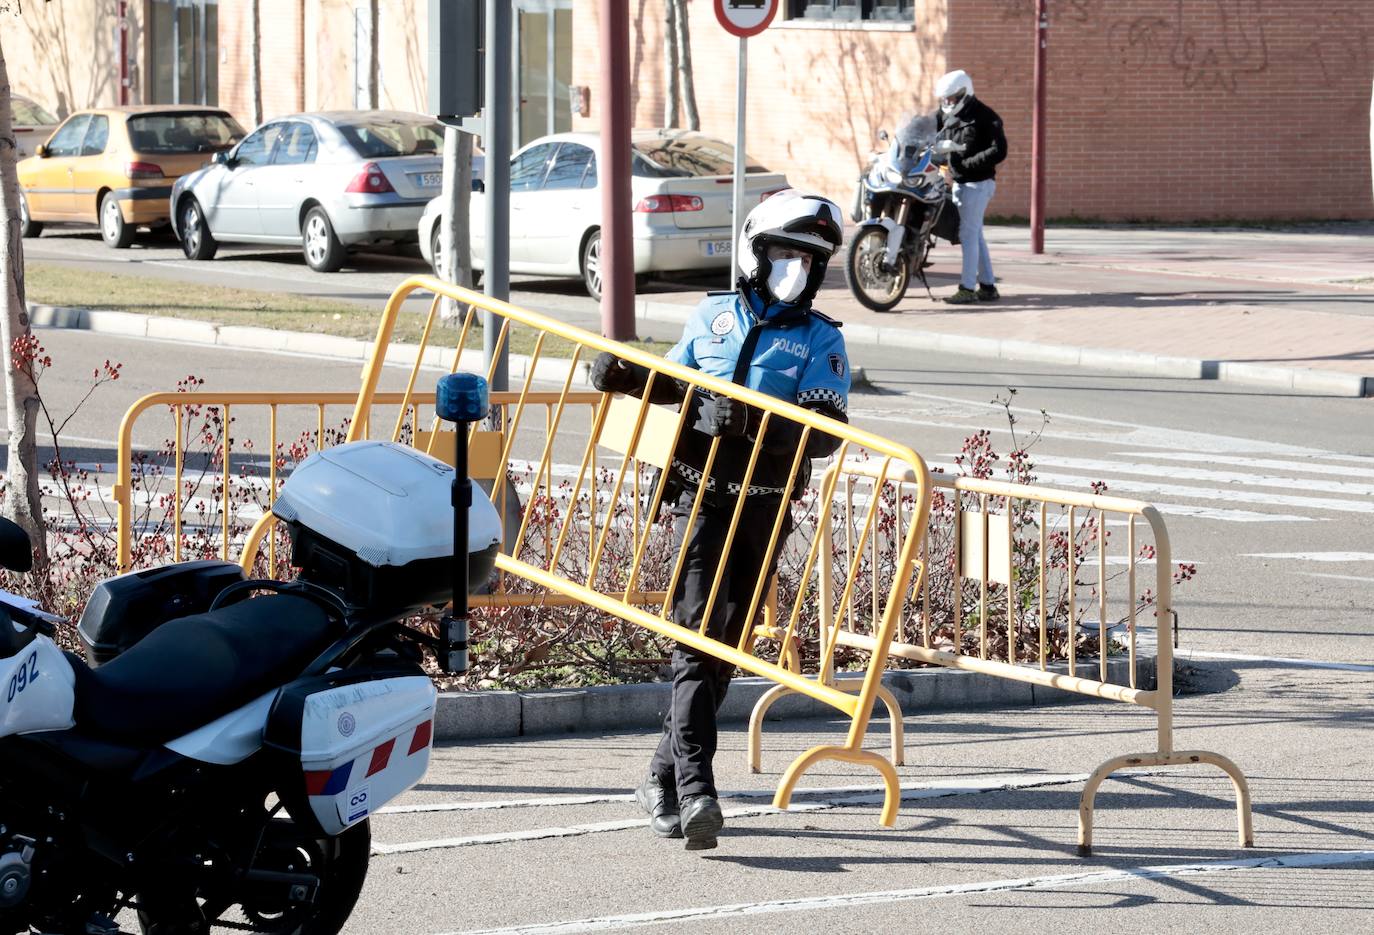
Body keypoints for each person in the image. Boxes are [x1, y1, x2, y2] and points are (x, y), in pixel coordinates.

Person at [589, 189, 851, 851]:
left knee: (723, 652)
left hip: (764, 506)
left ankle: (660, 773)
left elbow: (825, 434)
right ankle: (699, 784)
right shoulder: (711, 317)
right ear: (754, 253)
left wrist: (753, 423)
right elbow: (670, 380)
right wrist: (624, 372)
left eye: (808, 260)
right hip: (698, 497)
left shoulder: (820, 338)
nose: (796, 268)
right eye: (785, 254)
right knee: (694, 634)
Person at [930, 69, 1007, 304]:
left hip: (978, 183)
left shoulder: (985, 116)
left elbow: (999, 150)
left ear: (964, 93)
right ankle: (987, 286)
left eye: (952, 98)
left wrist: (966, 161)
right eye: (945, 99)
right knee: (975, 235)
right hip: (960, 181)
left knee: (968, 234)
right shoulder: (946, 115)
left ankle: (967, 288)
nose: (948, 103)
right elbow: (927, 127)